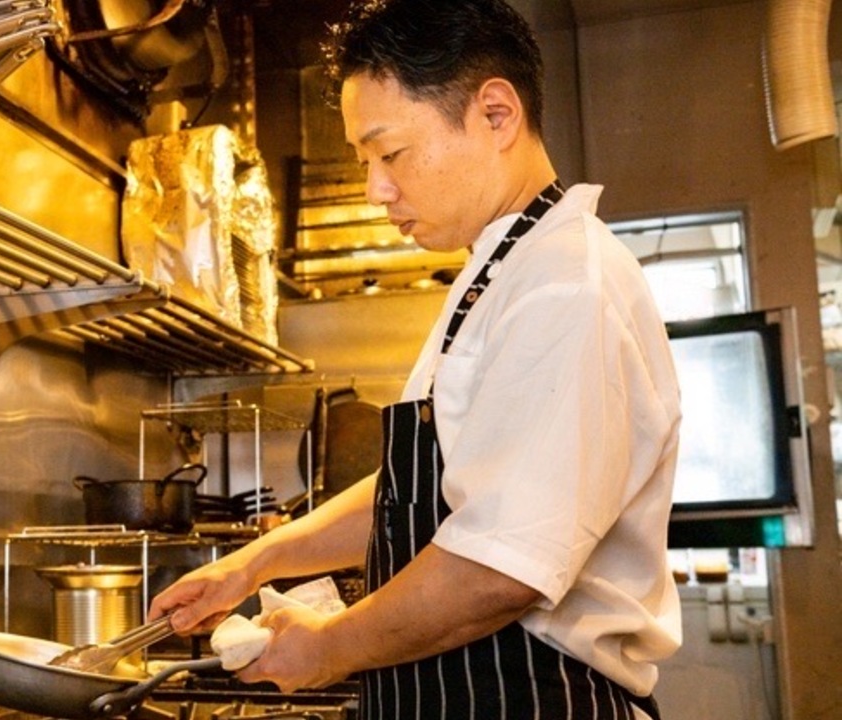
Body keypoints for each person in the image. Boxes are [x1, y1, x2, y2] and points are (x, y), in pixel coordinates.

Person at [148, 1, 683, 718]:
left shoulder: (564, 283)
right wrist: (254, 563)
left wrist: (329, 645)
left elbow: (499, 569)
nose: (376, 189)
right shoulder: (500, 273)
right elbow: (418, 491)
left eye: (391, 153)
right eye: (364, 162)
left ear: (496, 114)